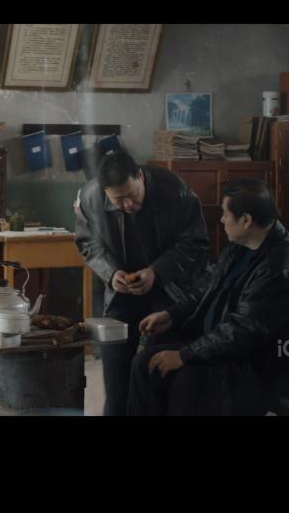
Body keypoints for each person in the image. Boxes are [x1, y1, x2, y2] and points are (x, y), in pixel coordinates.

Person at [126, 179, 289, 416]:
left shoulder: (281, 268)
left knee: (186, 377)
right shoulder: (242, 245)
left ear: (246, 221)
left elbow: (244, 331)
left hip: (257, 363)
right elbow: (210, 288)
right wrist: (171, 315)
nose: (222, 220)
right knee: (145, 363)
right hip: (222, 347)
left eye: (225, 213)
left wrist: (185, 355)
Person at [75, 150, 210, 415]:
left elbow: (196, 244)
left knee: (154, 377)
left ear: (140, 176)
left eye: (131, 195)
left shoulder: (175, 191)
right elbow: (87, 243)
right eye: (118, 200)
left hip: (168, 294)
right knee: (116, 382)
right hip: (121, 295)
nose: (127, 205)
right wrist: (111, 273)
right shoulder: (91, 197)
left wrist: (156, 272)